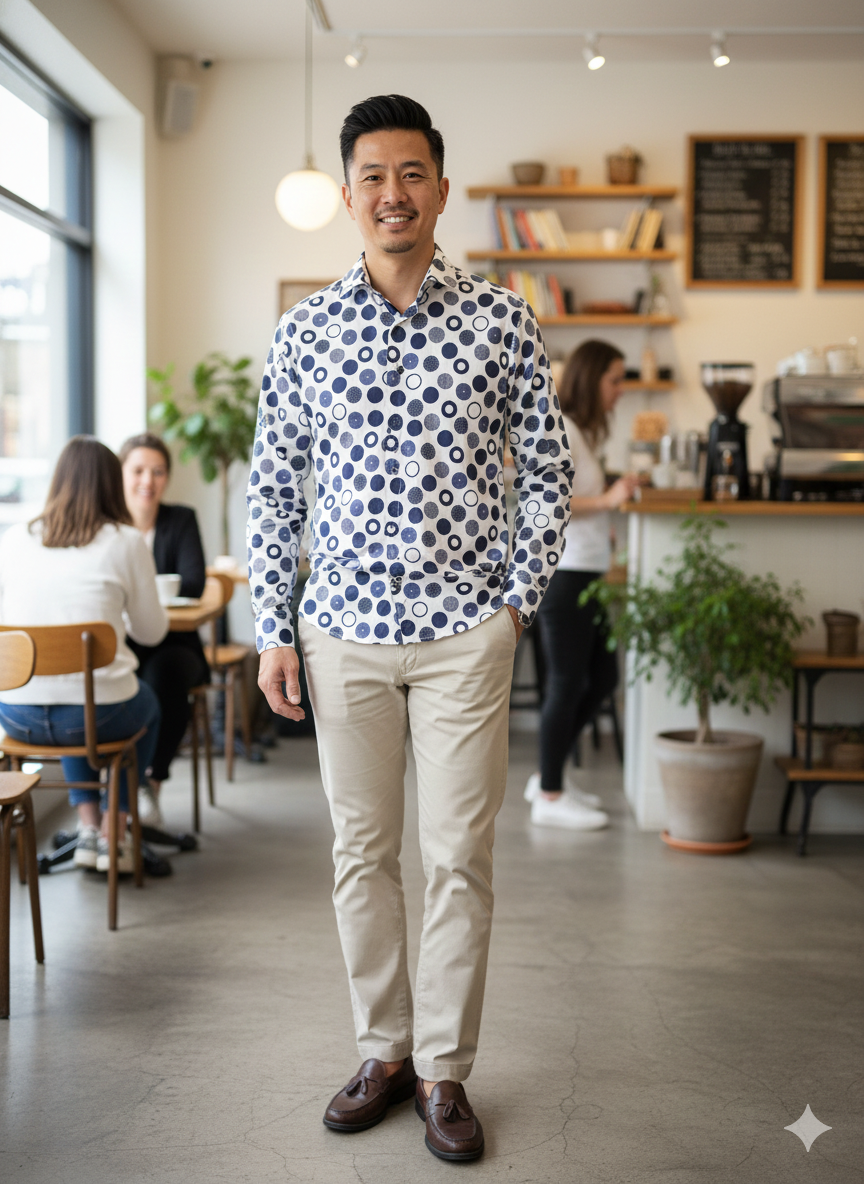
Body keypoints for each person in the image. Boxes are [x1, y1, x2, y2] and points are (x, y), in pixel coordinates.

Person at [248, 94, 574, 1162]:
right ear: (349, 194)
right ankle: (383, 1048)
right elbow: (272, 492)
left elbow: (550, 468)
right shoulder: (304, 333)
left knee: (460, 856)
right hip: (340, 627)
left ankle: (444, 1068)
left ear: (442, 184)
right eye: (373, 176)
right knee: (360, 851)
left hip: (462, 634)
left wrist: (515, 601)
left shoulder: (502, 321)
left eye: (412, 173)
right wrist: (274, 626)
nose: (393, 193)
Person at [0, 436, 166, 873]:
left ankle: (88, 829)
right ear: (113, 485)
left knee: (76, 697)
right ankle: (115, 831)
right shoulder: (126, 541)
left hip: (16, 714)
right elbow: (151, 633)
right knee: (140, 703)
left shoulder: (15, 539)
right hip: (95, 716)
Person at [524, 340, 638, 830]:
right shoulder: (563, 428)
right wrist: (610, 498)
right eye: (615, 379)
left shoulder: (582, 432)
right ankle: (550, 793)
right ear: (592, 380)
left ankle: (547, 778)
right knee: (567, 684)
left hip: (585, 573)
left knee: (603, 680)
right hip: (563, 575)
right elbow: (552, 501)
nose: (620, 389)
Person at [119, 433, 210, 827]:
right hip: (123, 646)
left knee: (162, 677)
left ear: (167, 478)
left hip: (177, 644)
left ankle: (149, 784)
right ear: (121, 475)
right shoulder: (111, 528)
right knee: (113, 679)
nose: (147, 481)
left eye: (157, 472)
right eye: (138, 470)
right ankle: (115, 795)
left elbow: (192, 583)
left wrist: (140, 592)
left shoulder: (180, 519)